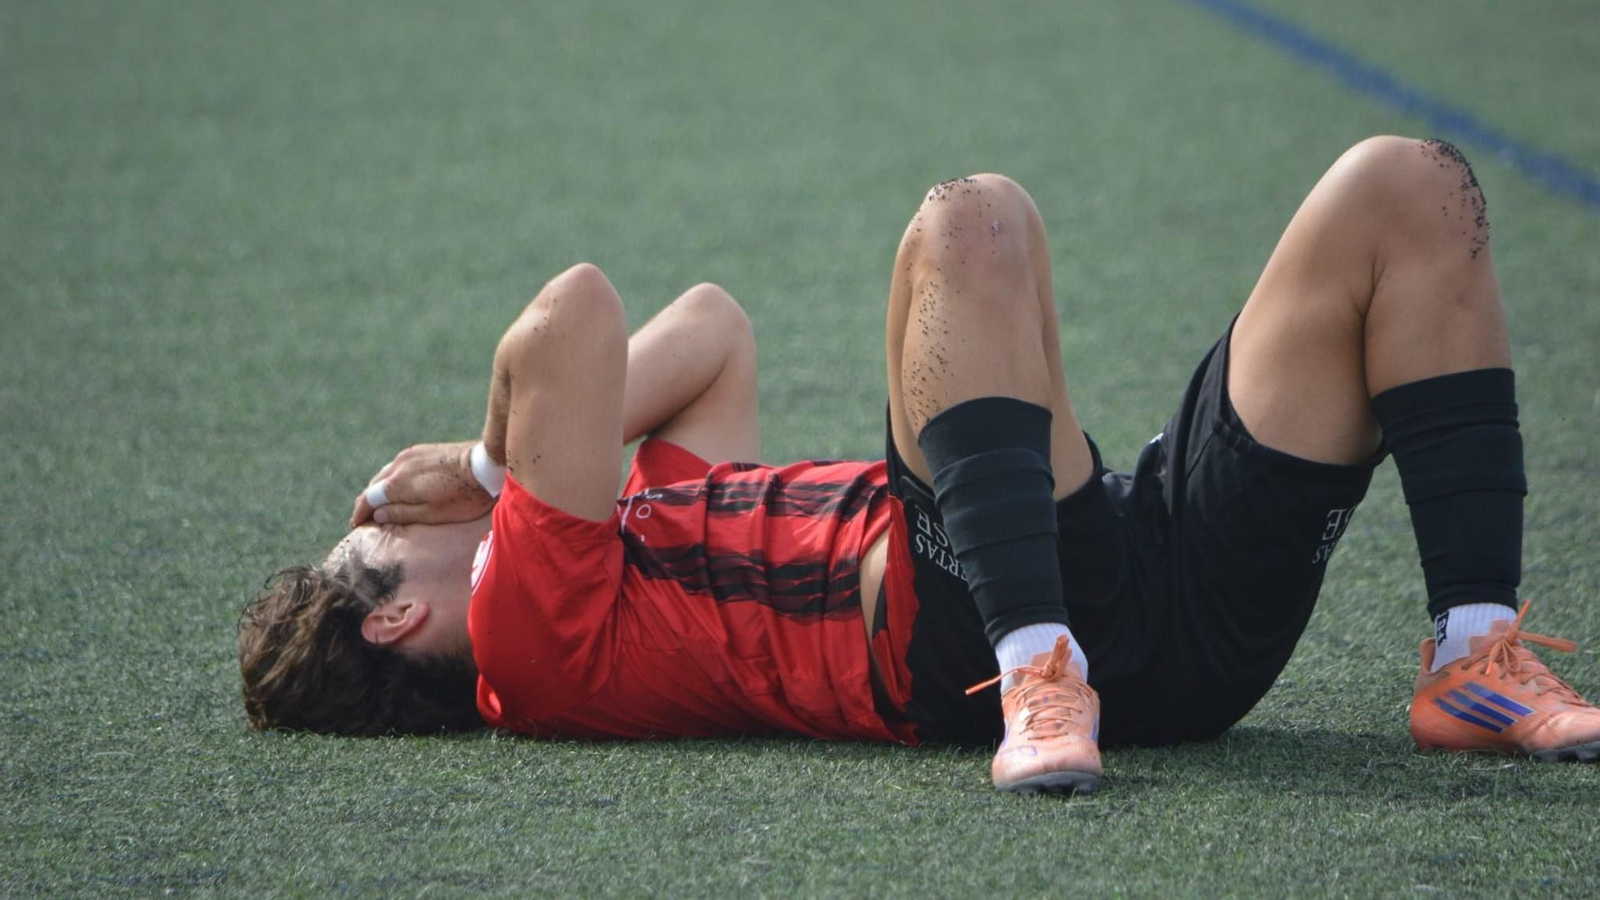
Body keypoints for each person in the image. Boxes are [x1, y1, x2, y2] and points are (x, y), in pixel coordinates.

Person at [239, 136, 1600, 795]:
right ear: (399, 607)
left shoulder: (610, 545)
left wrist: (527, 464)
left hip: (1145, 597)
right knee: (969, 224)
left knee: (1405, 189)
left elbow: (710, 330)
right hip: (964, 643)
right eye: (378, 534)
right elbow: (572, 317)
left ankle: (1474, 654)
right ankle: (1036, 667)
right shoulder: (522, 641)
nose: (405, 512)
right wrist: (485, 462)